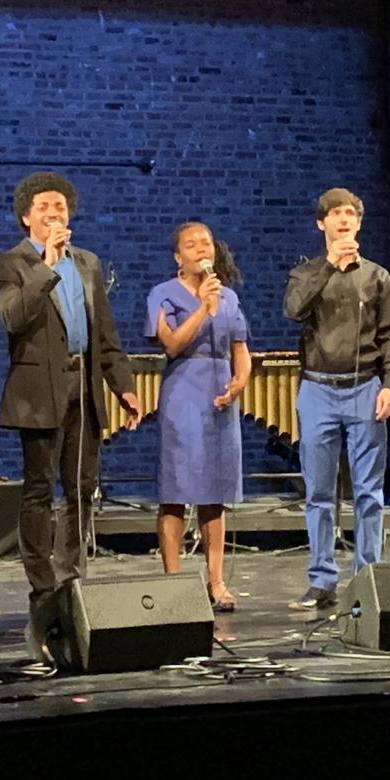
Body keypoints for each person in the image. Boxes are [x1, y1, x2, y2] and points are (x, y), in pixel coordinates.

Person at [0, 171, 141, 657]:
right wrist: (47, 264)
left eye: (62, 207)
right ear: (27, 216)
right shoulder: (9, 264)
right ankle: (42, 584)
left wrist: (124, 385)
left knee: (81, 486)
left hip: (83, 384)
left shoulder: (89, 263)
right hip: (38, 390)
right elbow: (13, 317)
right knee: (38, 490)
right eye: (46, 207)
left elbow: (105, 333)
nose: (56, 213)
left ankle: (72, 576)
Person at [282, 188, 390, 612]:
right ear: (322, 224)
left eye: (350, 213)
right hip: (317, 389)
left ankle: (366, 577)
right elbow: (293, 310)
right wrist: (330, 268)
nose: (344, 219)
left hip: (365, 387)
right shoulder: (306, 274)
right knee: (319, 492)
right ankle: (321, 580)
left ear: (359, 223)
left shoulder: (376, 276)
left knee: (369, 493)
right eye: (335, 214)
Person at [146, 222, 252, 612]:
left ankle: (216, 580)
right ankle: (173, 581)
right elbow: (172, 344)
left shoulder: (228, 296)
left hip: (220, 391)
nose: (199, 248)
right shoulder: (163, 294)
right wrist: (204, 309)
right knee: (176, 491)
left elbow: (240, 346)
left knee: (215, 493)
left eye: (205, 242)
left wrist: (240, 381)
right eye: (190, 244)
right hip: (183, 392)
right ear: (178, 257)